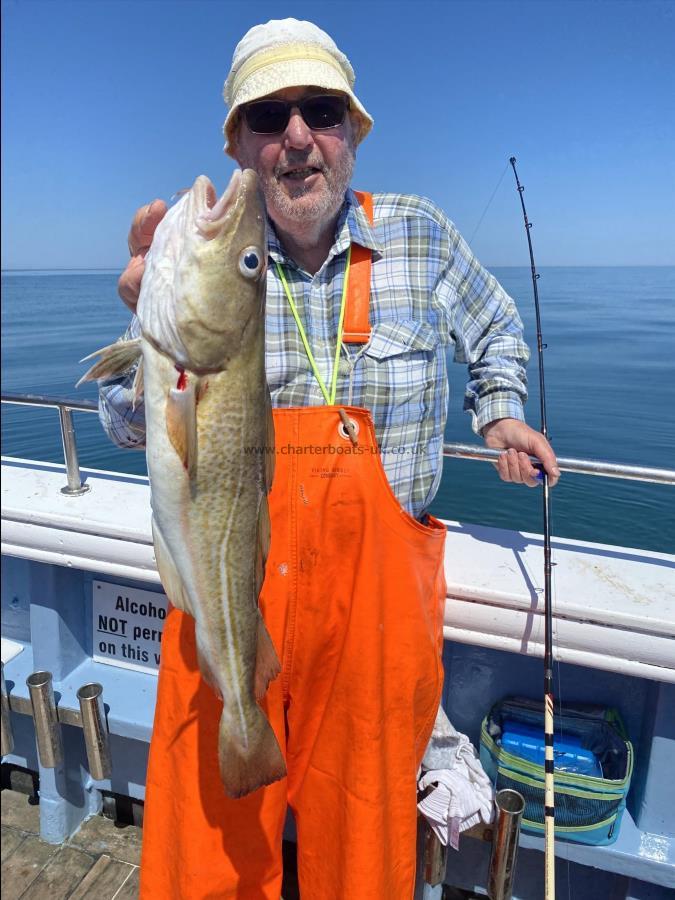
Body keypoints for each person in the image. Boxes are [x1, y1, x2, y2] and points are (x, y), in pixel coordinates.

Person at [101, 18, 559, 900]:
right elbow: (128, 429)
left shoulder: (420, 235)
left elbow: (498, 326)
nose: (298, 136)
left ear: (353, 132)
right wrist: (149, 352)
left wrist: (497, 412)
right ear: (237, 143)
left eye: (320, 111)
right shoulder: (205, 261)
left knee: (364, 857)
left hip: (375, 622)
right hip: (235, 598)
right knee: (207, 860)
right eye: (269, 116)